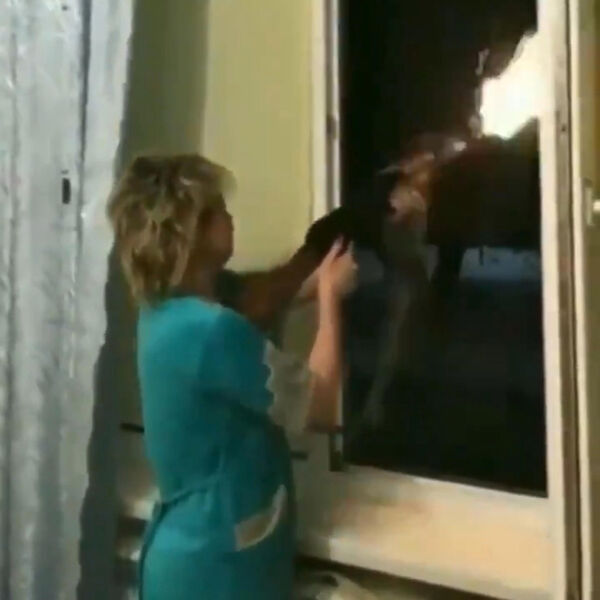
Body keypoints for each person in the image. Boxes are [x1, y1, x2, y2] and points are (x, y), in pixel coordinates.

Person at [107, 154, 357, 600]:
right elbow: (319, 404)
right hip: (214, 569)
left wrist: (318, 268)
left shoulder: (165, 311)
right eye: (220, 210)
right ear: (193, 231)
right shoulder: (211, 330)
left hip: (193, 552)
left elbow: (256, 301)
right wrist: (329, 297)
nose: (231, 217)